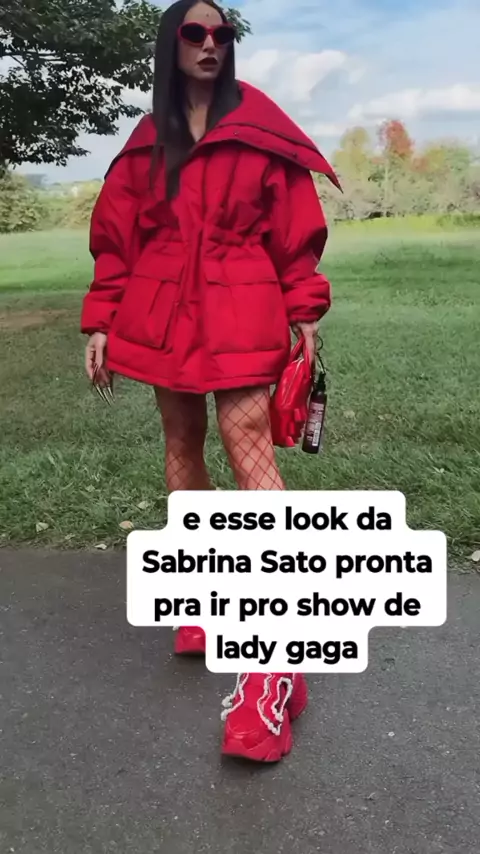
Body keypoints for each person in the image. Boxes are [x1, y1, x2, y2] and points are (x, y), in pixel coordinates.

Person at [81, 0, 339, 763]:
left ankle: (278, 658)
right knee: (181, 439)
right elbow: (117, 238)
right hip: (163, 304)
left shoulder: (259, 127)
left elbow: (294, 231)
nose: (209, 44)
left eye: (221, 34)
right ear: (172, 44)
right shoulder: (147, 138)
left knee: (246, 437)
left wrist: (305, 308)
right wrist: (101, 319)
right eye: (194, 33)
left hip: (242, 297)